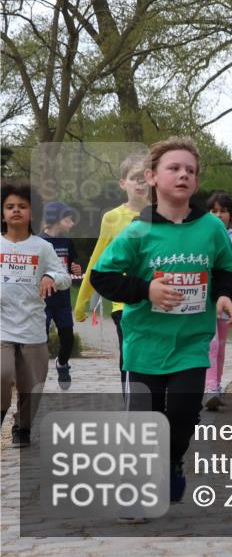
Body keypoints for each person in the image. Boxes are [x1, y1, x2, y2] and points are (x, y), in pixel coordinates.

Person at [90, 137, 232, 506]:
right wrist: (147, 290)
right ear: (153, 176)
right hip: (145, 343)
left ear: (196, 181)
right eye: (174, 168)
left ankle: (172, 461)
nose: (183, 175)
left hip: (191, 342)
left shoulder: (211, 228)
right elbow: (102, 275)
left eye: (190, 170)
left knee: (184, 413)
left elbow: (225, 267)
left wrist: (224, 295)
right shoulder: (139, 231)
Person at [1, 181, 71, 447]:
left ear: (33, 212)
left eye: (22, 206)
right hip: (2, 327)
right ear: (2, 213)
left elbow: (64, 276)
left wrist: (50, 276)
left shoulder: (42, 247)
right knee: (2, 374)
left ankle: (23, 427)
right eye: (9, 207)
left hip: (32, 327)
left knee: (33, 386)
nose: (16, 211)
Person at [74, 151, 148, 385]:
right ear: (122, 182)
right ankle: (133, 411)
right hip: (124, 303)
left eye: (145, 177)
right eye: (134, 177)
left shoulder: (164, 215)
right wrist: (82, 302)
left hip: (158, 300)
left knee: (153, 361)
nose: (140, 182)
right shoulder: (112, 218)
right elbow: (98, 260)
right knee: (131, 359)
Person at [203, 191, 232, 409]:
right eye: (214, 211)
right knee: (210, 342)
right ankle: (209, 387)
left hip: (228, 299)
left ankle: (216, 386)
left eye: (223, 211)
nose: (219, 215)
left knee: (220, 345)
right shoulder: (202, 235)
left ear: (230, 215)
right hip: (205, 299)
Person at [39, 201, 83, 389]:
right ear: (57, 219)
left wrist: (76, 268)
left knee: (68, 339)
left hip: (63, 300)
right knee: (42, 340)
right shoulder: (38, 242)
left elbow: (73, 267)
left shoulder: (67, 242)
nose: (72, 224)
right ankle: (35, 374)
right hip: (43, 300)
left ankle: (62, 363)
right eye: (69, 219)